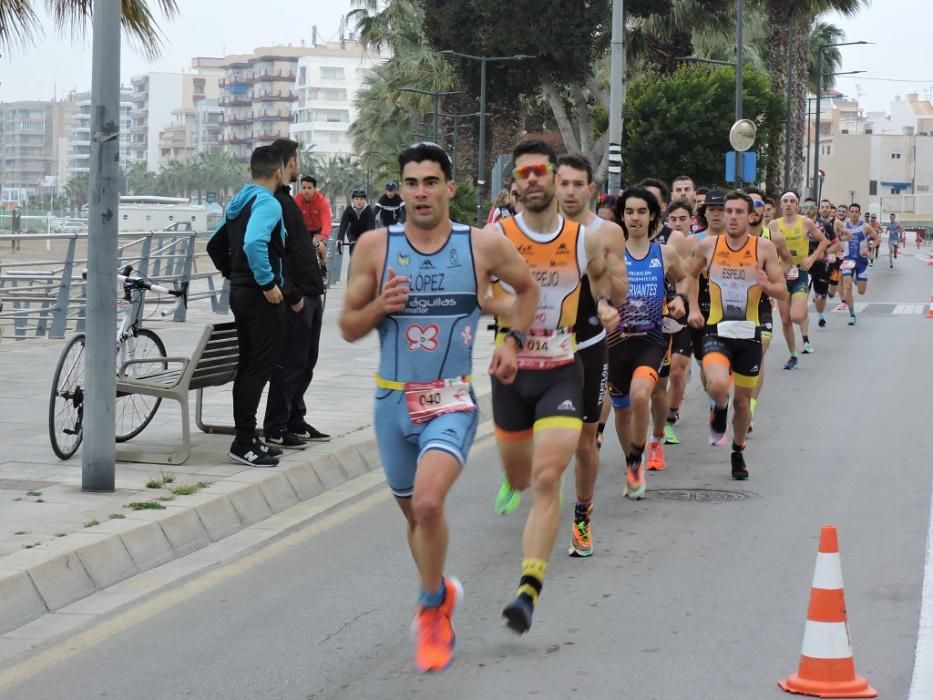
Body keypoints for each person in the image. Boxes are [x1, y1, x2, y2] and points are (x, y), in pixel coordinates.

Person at [339, 142, 538, 672]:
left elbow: (527, 290)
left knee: (428, 504)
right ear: (400, 189)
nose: (421, 192)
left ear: (450, 187)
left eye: (431, 182)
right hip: (390, 402)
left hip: (450, 399)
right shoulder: (376, 247)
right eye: (412, 183)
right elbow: (348, 326)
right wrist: (382, 305)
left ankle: (431, 611)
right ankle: (440, 589)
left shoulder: (483, 245)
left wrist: (511, 339)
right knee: (415, 515)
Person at [487, 139, 626, 634]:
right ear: (516, 184)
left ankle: (528, 588)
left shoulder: (585, 239)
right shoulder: (496, 238)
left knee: (550, 476)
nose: (537, 182)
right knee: (523, 473)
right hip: (511, 367)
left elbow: (605, 281)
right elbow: (481, 295)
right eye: (525, 173)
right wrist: (515, 311)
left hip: (565, 361)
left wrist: (606, 304)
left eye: (544, 173)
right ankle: (514, 472)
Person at [553, 153, 628, 557]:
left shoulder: (606, 233)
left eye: (576, 184)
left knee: (585, 442)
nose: (569, 191)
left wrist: (607, 303)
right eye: (562, 183)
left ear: (590, 189)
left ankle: (581, 516)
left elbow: (620, 290)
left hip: (587, 344)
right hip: (544, 345)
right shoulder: (535, 230)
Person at [687, 191, 787, 478]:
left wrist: (768, 286)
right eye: (728, 211)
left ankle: (738, 450)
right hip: (716, 328)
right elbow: (691, 275)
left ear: (750, 216)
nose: (731, 217)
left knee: (743, 403)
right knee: (718, 384)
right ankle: (718, 405)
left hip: (749, 334)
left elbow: (781, 290)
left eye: (738, 212)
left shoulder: (764, 248)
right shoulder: (708, 246)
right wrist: (694, 307)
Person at [207, 145, 287, 468]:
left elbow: (214, 244)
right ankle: (243, 442)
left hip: (241, 292)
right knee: (258, 367)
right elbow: (254, 242)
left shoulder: (240, 201)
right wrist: (267, 283)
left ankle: (248, 437)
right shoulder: (267, 202)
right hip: (258, 295)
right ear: (279, 172)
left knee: (251, 365)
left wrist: (232, 272)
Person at [608, 187, 687, 495]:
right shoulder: (611, 255)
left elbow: (683, 278)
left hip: (651, 339)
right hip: (615, 342)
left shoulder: (663, 253)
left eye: (641, 211)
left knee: (641, 394)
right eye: (629, 212)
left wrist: (680, 299)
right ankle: (631, 457)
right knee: (622, 409)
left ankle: (637, 457)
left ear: (652, 215)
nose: (635, 218)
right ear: (622, 216)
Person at [261, 139, 330, 449]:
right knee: (291, 363)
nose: (299, 163)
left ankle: (295, 419)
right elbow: (274, 253)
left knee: (307, 362)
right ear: (288, 163)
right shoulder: (274, 203)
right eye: (296, 158)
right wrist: (291, 293)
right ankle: (276, 426)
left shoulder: (287, 200)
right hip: (298, 297)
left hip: (312, 292)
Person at [768, 191, 826, 370]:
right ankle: (793, 354)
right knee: (785, 320)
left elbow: (824, 241)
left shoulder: (806, 222)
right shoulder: (773, 224)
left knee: (797, 316)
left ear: (797, 205)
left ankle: (803, 315)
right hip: (782, 274)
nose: (788, 204)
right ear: (781, 205)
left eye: (792, 201)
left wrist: (812, 258)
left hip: (800, 272)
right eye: (785, 201)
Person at [840, 203, 878, 326]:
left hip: (861, 262)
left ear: (859, 213)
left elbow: (877, 238)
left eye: (857, 211)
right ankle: (852, 314)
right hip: (848, 260)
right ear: (849, 213)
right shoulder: (843, 226)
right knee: (847, 285)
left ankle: (857, 279)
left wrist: (869, 247)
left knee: (861, 291)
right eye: (852, 211)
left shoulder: (865, 227)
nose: (854, 213)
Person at [813, 199, 843, 327]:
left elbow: (847, 236)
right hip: (819, 261)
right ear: (819, 209)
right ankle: (820, 314)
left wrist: (839, 238)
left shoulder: (836, 223)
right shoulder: (813, 224)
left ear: (831, 210)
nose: (825, 209)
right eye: (822, 207)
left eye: (827, 207)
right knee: (820, 290)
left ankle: (829, 293)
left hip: (834, 259)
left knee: (833, 288)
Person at [336, 187, 376, 258]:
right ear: (353, 200)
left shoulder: (369, 210)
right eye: (356, 199)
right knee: (353, 253)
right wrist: (340, 238)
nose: (359, 201)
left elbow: (371, 226)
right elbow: (343, 224)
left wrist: (370, 239)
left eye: (361, 199)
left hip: (365, 233)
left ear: (365, 200)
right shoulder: (349, 209)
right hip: (353, 233)